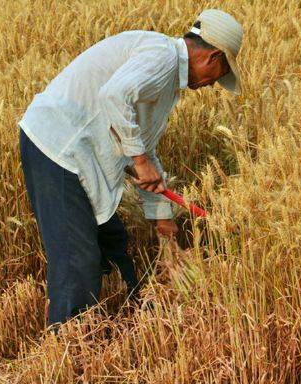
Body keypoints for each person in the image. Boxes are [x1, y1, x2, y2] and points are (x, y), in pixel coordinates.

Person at [18, 9, 243, 326]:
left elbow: (143, 145)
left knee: (114, 244)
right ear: (214, 56)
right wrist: (138, 160)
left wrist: (161, 217)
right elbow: (114, 96)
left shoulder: (165, 77)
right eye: (220, 74)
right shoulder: (161, 57)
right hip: (58, 148)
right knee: (77, 259)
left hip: (79, 155)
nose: (213, 84)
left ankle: (130, 317)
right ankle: (68, 347)